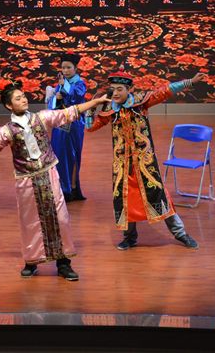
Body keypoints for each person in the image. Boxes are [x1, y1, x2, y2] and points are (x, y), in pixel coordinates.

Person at [0, 82, 109, 280]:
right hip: (26, 180)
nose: (23, 99)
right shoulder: (6, 131)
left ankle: (63, 262)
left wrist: (95, 102)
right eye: (18, 98)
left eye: (23, 96)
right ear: (9, 105)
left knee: (60, 218)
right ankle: (32, 261)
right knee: (30, 222)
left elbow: (70, 112)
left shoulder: (42, 117)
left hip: (49, 174)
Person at [85, 67, 206, 251]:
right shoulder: (109, 110)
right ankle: (129, 237)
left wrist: (190, 81)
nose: (115, 93)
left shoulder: (140, 102)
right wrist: (92, 108)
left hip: (145, 162)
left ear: (129, 90)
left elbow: (165, 91)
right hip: (122, 164)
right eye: (113, 89)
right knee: (124, 198)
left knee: (158, 194)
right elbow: (90, 128)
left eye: (120, 89)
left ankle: (181, 234)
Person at [45, 53, 87, 202]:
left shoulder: (80, 84)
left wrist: (63, 88)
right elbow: (52, 105)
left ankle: (72, 187)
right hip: (60, 124)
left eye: (69, 67)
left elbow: (75, 98)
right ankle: (62, 188)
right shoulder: (61, 84)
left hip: (74, 124)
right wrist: (56, 99)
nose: (66, 70)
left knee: (72, 154)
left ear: (75, 68)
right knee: (59, 154)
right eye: (63, 68)